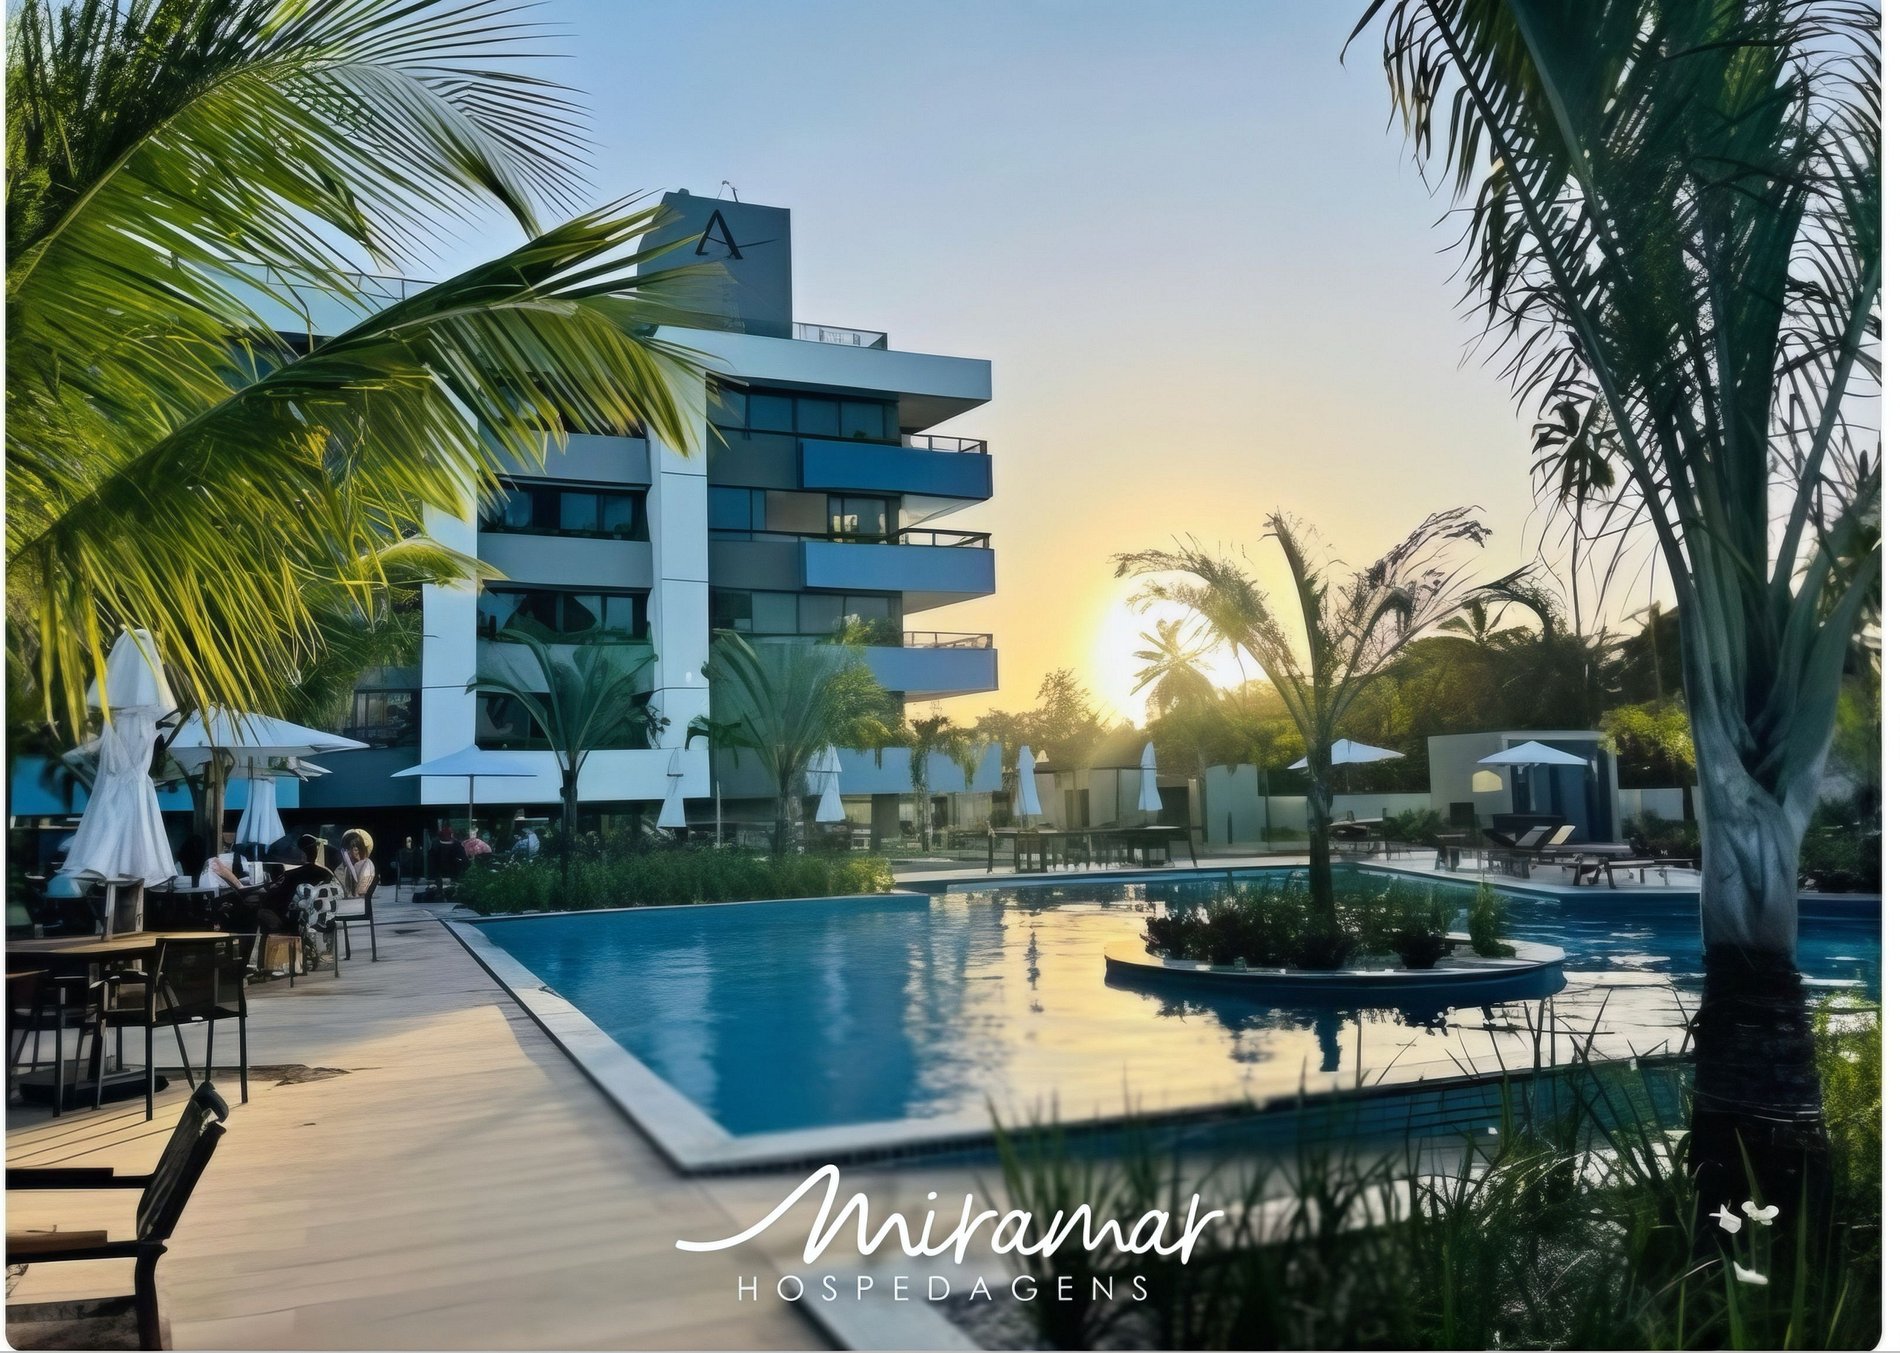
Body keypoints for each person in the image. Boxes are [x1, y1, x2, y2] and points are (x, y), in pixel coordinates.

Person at [334, 829, 377, 898]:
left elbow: (362, 893)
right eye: (355, 850)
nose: (358, 853)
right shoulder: (340, 871)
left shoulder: (367, 865)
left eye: (360, 849)